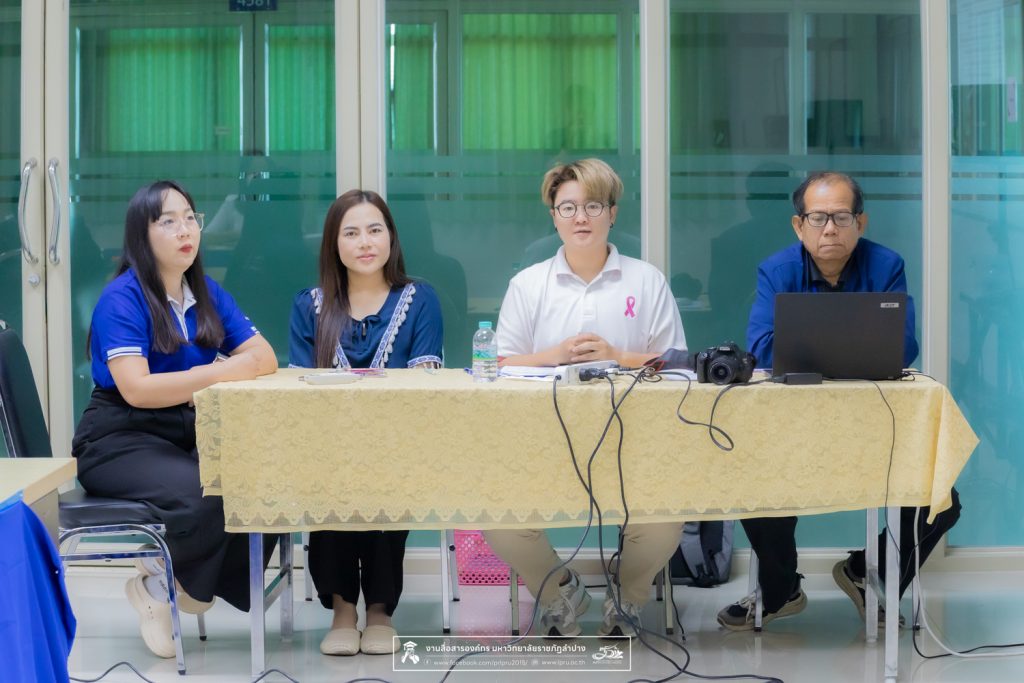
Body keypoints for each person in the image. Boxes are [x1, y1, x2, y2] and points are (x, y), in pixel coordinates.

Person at [716, 171, 962, 631]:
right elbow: (763, 349)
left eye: (841, 217)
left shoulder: (886, 265)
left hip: (872, 424)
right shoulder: (777, 270)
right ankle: (780, 590)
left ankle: (867, 571)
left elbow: (903, 347)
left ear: (860, 223)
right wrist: (851, 344)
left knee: (942, 500)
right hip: (791, 425)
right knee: (751, 479)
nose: (829, 228)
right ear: (799, 226)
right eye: (818, 218)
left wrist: (811, 344)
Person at [71, 180, 279, 658]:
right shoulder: (122, 298)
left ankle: (176, 585)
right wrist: (221, 371)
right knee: (206, 497)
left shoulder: (205, 293)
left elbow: (264, 357)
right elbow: (138, 389)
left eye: (190, 218)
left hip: (184, 433)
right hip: (118, 439)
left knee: (264, 487)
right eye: (168, 221)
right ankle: (164, 585)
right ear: (141, 235)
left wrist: (220, 371)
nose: (185, 230)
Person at [484, 159, 687, 639]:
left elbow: (677, 362)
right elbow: (497, 364)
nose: (580, 217)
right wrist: (553, 355)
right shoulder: (528, 284)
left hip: (634, 443)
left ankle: (628, 598)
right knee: (494, 516)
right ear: (553, 216)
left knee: (666, 519)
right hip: (542, 441)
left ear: (612, 214)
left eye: (593, 206)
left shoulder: (646, 280)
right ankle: (558, 592)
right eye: (568, 207)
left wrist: (619, 356)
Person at [288, 190, 443, 656]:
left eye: (375, 230)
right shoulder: (309, 304)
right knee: (329, 468)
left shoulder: (420, 298)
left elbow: (425, 383)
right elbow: (301, 388)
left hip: (399, 438)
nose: (365, 242)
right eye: (351, 233)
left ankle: (379, 610)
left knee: (384, 467)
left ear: (391, 237)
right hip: (328, 440)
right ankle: (342, 609)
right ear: (333, 243)